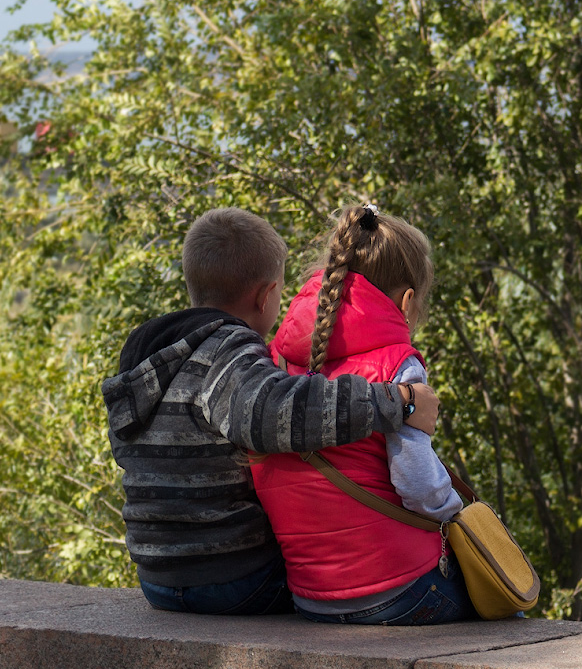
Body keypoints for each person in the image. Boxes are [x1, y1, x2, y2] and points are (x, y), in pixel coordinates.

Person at [101, 207, 440, 615]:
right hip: (234, 578)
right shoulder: (230, 353)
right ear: (265, 296)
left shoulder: (147, 357)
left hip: (156, 578)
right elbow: (280, 414)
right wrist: (396, 401)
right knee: (318, 584)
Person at [251, 204, 472, 625]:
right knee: (504, 593)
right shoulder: (398, 366)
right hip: (396, 587)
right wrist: (457, 514)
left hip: (309, 595)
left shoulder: (275, 356)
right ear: (407, 301)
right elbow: (419, 486)